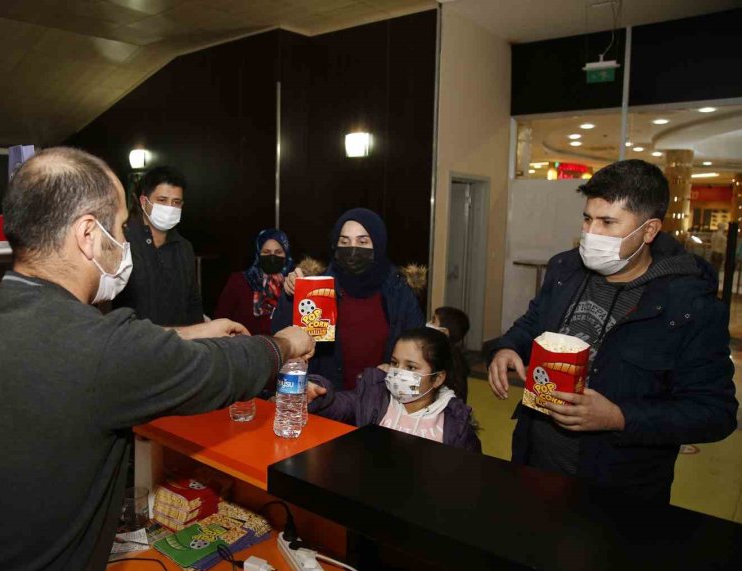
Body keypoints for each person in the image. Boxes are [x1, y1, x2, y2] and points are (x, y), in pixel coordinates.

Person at [0, 148, 315, 571]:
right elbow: (215, 371)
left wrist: (196, 330)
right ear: (87, 233)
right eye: (119, 229)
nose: (123, 244)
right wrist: (285, 345)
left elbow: (110, 354)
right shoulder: (97, 349)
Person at [487, 159, 737, 504]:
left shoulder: (689, 305)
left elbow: (715, 413)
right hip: (536, 464)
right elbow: (534, 321)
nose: (592, 234)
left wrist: (619, 417)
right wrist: (509, 347)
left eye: (608, 222)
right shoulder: (565, 269)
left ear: (649, 231)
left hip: (618, 489)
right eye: (588, 219)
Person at [272, 208, 425, 390]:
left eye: (363, 241)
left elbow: (418, 351)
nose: (352, 250)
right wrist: (291, 298)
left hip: (383, 401)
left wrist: (393, 371)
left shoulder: (399, 292)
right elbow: (282, 340)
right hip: (327, 399)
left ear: (378, 244)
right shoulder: (318, 287)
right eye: (344, 241)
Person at [307, 327, 480, 451]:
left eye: (411, 367)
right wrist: (318, 393)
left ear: (438, 378)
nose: (398, 373)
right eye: (395, 363)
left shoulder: (456, 425)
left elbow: (467, 476)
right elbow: (339, 404)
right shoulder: (373, 395)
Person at [112, 166, 203, 326]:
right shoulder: (122, 241)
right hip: (132, 344)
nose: (170, 208)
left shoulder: (184, 247)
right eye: (162, 200)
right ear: (143, 201)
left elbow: (193, 302)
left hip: (178, 343)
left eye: (176, 202)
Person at [214, 228, 294, 336]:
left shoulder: (293, 283)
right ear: (258, 254)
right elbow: (220, 320)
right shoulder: (239, 281)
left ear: (286, 255)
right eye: (266, 252)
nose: (272, 257)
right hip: (247, 348)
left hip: (285, 348)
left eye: (278, 252)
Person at [429, 306, 470, 402]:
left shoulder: (445, 359)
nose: (429, 323)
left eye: (433, 320)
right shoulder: (456, 356)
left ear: (444, 332)